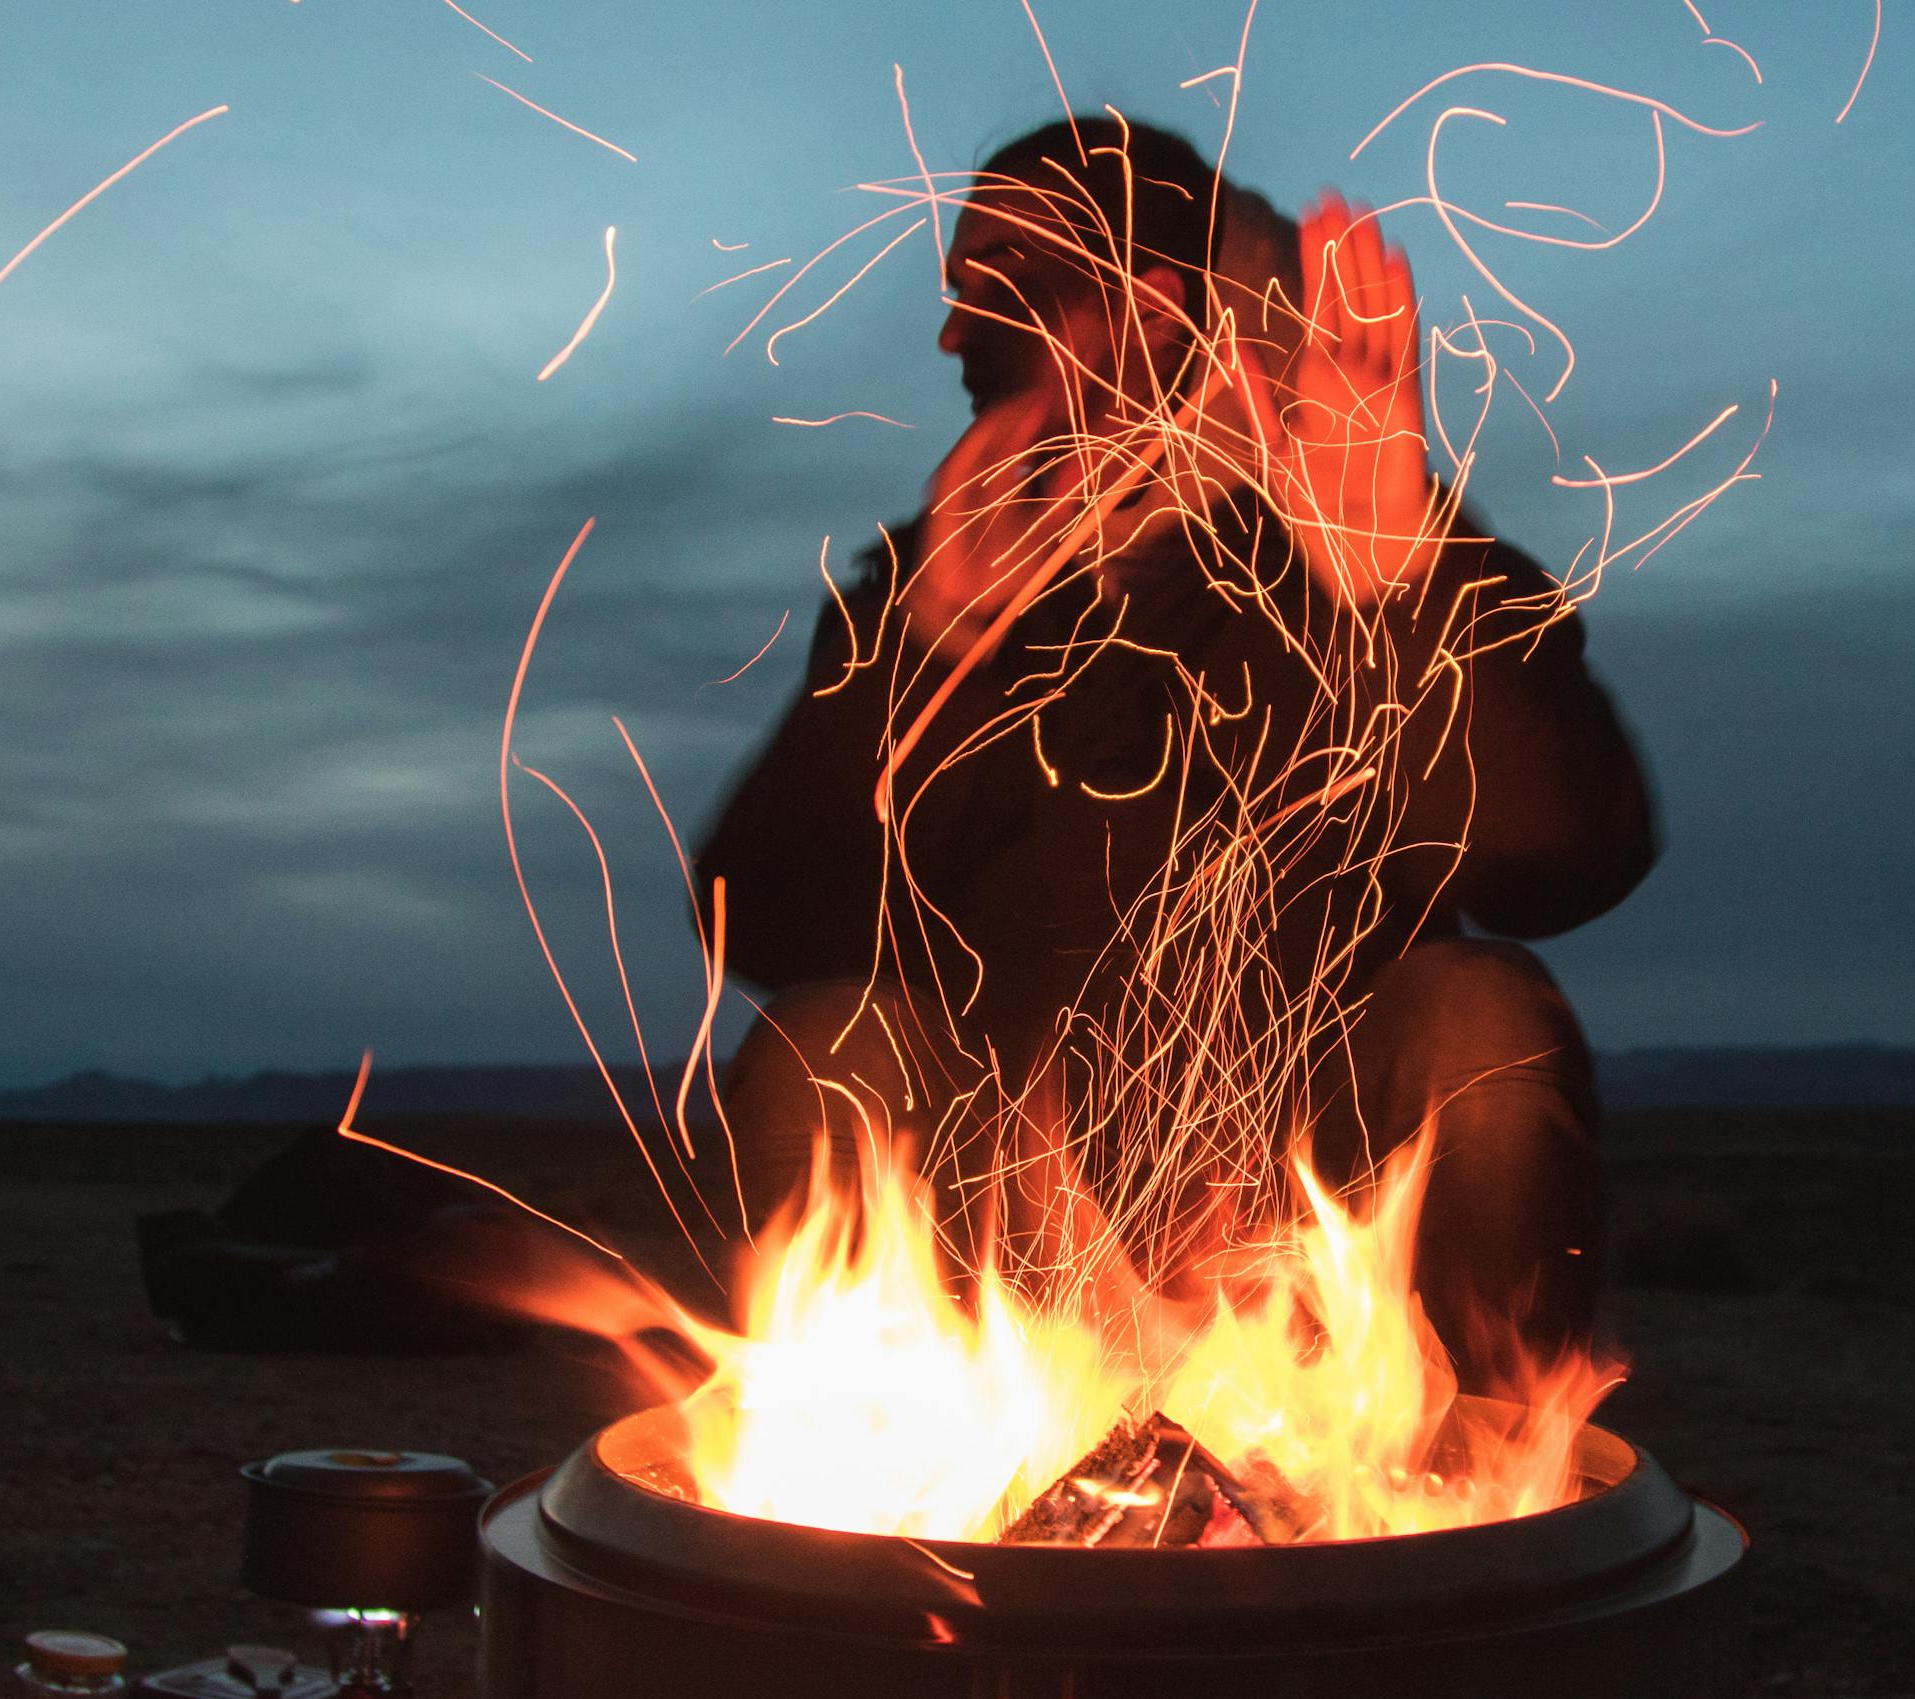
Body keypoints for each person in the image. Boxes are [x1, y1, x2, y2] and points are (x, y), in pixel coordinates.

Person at [695, 117, 1656, 1391]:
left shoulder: (1363, 528)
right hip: (1000, 1230)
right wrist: (927, 646)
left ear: (1147, 306)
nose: (950, 335)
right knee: (828, 1044)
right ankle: (856, 1551)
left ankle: (1465, 1536)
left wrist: (1399, 575)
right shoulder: (920, 591)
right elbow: (755, 924)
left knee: (1478, 1019)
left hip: (1319, 1224)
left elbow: (1567, 859)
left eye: (997, 287)